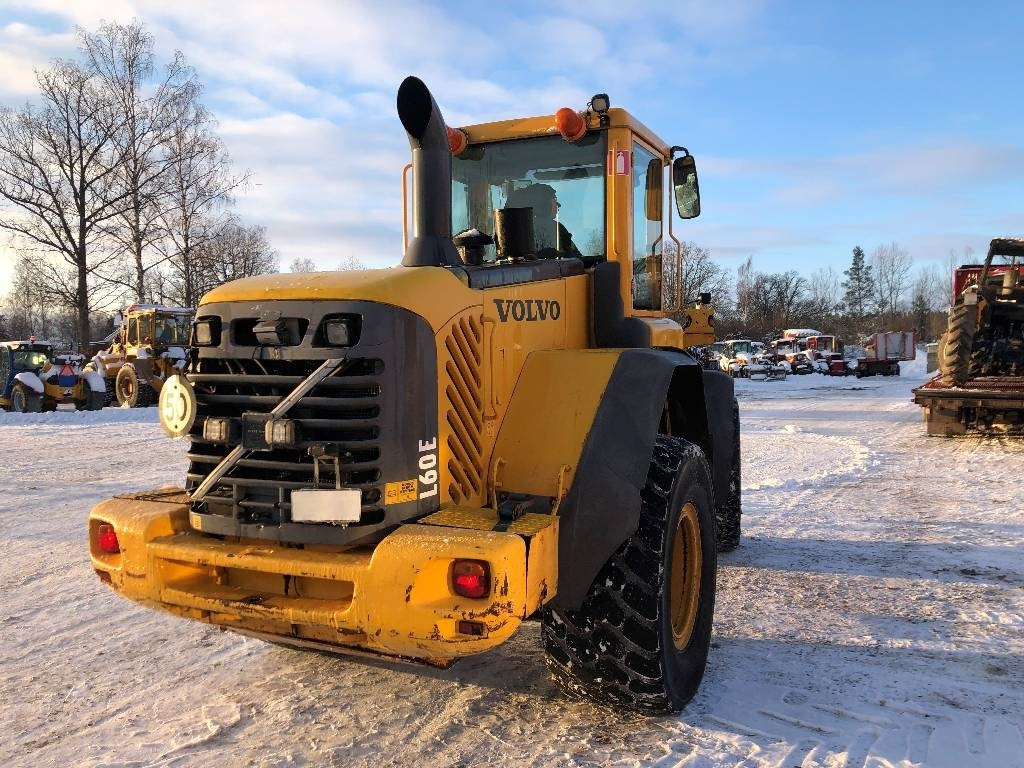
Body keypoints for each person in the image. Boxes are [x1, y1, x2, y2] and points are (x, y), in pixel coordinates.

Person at [506, 183, 582, 259]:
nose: (558, 205)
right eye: (554, 199)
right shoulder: (555, 228)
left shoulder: (512, 231)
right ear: (543, 203)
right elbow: (578, 260)